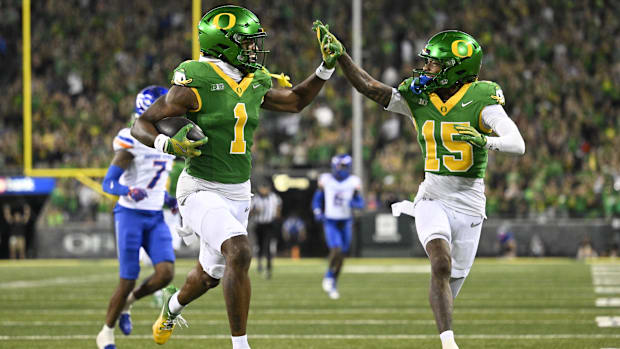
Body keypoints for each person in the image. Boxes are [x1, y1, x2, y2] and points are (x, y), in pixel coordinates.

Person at [130, 6, 337, 349]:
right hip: (199, 187)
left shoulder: (255, 79)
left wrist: (325, 67)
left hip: (239, 191)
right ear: (223, 44)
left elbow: (296, 101)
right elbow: (143, 123)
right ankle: (241, 346)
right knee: (239, 251)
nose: (254, 49)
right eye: (246, 42)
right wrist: (165, 142)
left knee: (209, 276)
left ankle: (170, 309)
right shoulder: (195, 78)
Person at [313, 22, 525, 348]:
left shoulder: (481, 97)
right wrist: (342, 58)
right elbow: (370, 87)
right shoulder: (418, 96)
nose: (426, 68)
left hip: (469, 202)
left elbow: (516, 142)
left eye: (434, 63)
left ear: (456, 69)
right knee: (440, 262)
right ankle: (448, 343)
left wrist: (486, 140)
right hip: (432, 196)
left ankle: (444, 332)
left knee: (451, 282)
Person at [96, 85, 179, 349]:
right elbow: (108, 183)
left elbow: (154, 181)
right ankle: (106, 331)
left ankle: (130, 301)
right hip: (129, 214)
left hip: (155, 216)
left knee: (165, 273)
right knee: (128, 277)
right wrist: (127, 190)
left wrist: (168, 200)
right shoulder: (131, 139)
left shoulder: (165, 141)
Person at [312, 154, 365, 299]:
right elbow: (317, 199)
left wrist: (355, 204)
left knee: (342, 255)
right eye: (339, 166)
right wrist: (317, 212)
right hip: (331, 221)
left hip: (346, 221)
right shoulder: (326, 180)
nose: (341, 170)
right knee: (336, 249)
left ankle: (334, 281)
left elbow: (361, 203)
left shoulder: (354, 182)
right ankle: (329, 275)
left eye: (343, 167)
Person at [250, 180, 282, 279]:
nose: (264, 190)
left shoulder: (274, 198)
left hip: (269, 224)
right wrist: (256, 211)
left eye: (265, 188)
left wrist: (277, 217)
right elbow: (249, 212)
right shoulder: (255, 199)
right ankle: (259, 263)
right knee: (259, 245)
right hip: (259, 224)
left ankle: (268, 267)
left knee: (268, 246)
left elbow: (278, 210)